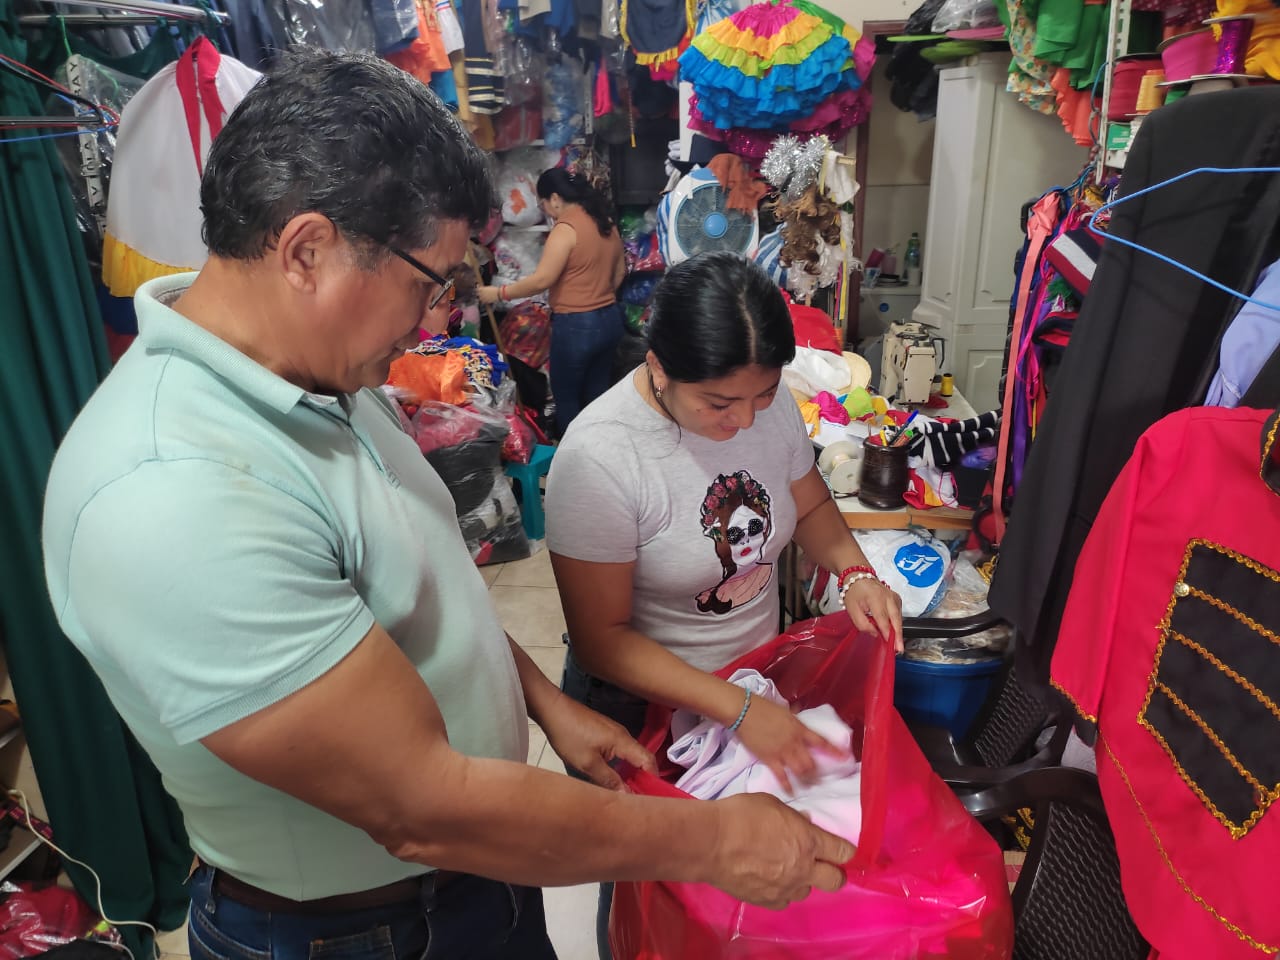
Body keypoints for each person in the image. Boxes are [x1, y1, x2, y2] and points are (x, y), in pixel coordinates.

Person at [40, 52, 856, 960]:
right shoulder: (170, 489)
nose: (433, 320)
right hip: (353, 933)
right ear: (307, 251)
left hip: (475, 881)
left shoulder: (327, 381)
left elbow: (419, 590)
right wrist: (716, 842)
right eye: (428, 282)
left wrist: (541, 701)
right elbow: (420, 807)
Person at [545, 251, 904, 960]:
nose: (742, 421)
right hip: (640, 709)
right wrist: (740, 713)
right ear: (658, 367)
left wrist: (856, 572)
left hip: (751, 682)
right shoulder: (602, 457)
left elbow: (811, 505)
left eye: (762, 395)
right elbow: (602, 640)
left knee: (750, 896)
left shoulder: (767, 410)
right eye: (717, 404)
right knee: (650, 897)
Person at [478, 168, 626, 435]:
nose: (545, 210)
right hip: (610, 319)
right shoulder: (605, 222)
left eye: (542, 204)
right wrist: (597, 297)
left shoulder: (566, 228)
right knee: (598, 393)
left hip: (576, 326)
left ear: (555, 198)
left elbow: (542, 280)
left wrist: (498, 293)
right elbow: (619, 273)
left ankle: (574, 452)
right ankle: (602, 445)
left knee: (566, 396)